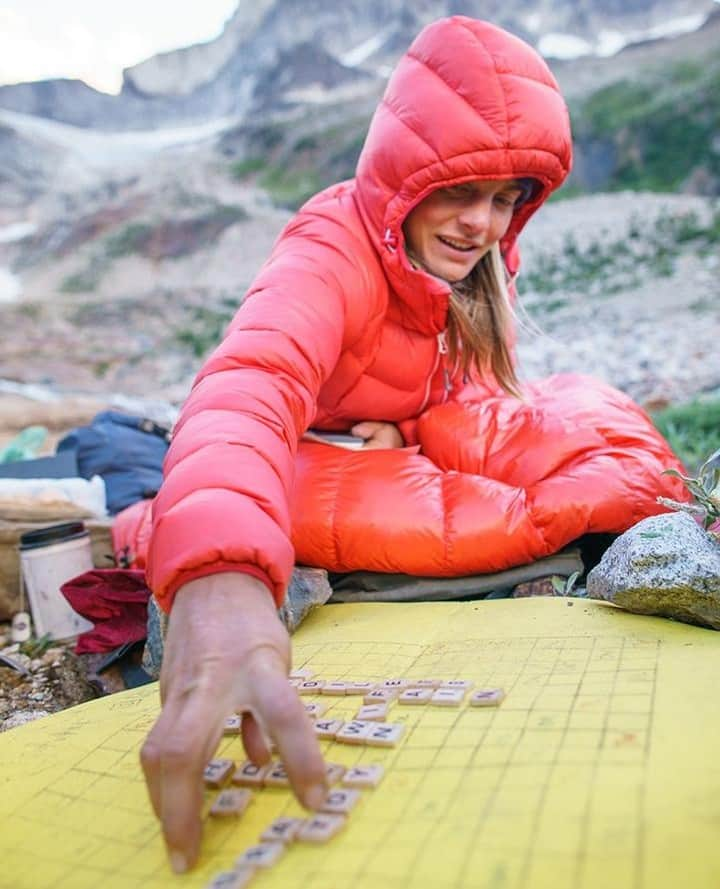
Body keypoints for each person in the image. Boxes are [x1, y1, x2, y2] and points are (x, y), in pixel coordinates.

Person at [136, 16, 688, 873]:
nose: (481, 224)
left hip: (389, 442)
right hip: (300, 455)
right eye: (462, 190)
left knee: (593, 419)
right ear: (405, 176)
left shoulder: (473, 267)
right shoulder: (331, 248)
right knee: (436, 502)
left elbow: (466, 392)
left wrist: (411, 425)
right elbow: (251, 383)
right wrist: (219, 580)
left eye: (507, 199)